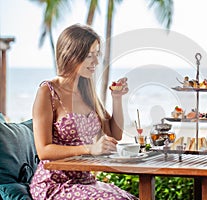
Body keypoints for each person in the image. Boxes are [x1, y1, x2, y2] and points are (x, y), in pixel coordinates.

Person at [29, 24, 138, 200]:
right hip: (54, 183)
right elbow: (43, 150)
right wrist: (90, 148)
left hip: (85, 181)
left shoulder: (87, 90)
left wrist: (117, 98)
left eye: (97, 55)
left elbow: (115, 134)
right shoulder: (47, 92)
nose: (96, 62)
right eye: (89, 55)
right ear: (71, 55)